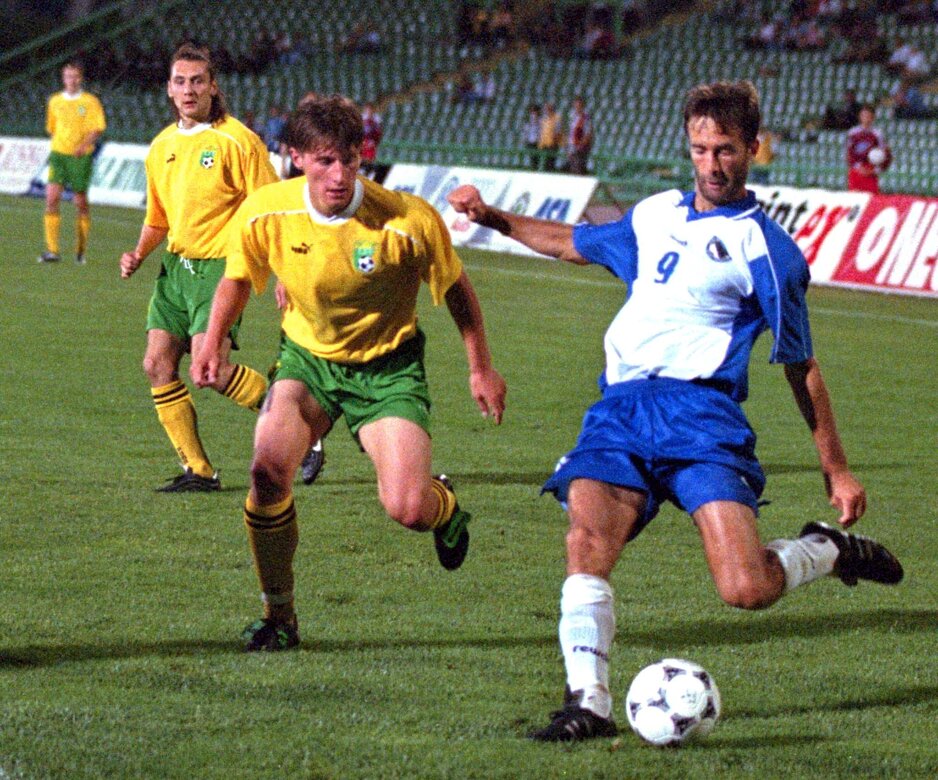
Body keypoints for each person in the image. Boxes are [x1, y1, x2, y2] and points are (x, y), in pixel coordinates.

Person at [448, 80, 903, 742]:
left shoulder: (770, 252)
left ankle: (825, 551)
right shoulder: (658, 211)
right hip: (621, 409)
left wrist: (836, 470)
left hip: (702, 417)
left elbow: (800, 364)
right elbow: (576, 240)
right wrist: (492, 218)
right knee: (586, 541)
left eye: (725, 150)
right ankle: (589, 702)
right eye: (699, 149)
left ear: (753, 148)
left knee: (745, 587)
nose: (712, 164)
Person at [190, 96, 507, 651]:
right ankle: (279, 617)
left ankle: (446, 507)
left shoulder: (407, 219)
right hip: (308, 363)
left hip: (388, 371)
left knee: (407, 508)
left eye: (349, 161)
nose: (338, 176)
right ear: (296, 159)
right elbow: (239, 278)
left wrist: (480, 367)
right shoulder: (267, 210)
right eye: (324, 162)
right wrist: (213, 339)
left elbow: (456, 289)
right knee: (266, 473)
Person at [118, 43, 323, 492]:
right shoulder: (161, 148)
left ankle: (305, 427)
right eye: (180, 81)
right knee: (156, 364)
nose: (188, 90)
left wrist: (287, 273)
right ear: (169, 90)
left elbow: (275, 210)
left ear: (213, 86)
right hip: (175, 270)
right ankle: (200, 470)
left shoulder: (238, 141)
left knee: (209, 369)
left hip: (221, 269)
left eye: (197, 81)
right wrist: (139, 252)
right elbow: (159, 218)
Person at [40, 61, 106, 264]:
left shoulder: (90, 102)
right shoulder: (55, 101)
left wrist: (82, 145)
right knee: (51, 199)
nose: (71, 80)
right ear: (63, 78)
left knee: (80, 202)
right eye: (68, 76)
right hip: (59, 155)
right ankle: (52, 250)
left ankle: (80, 251)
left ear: (81, 78)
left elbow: (97, 128)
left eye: (75, 76)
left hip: (80, 157)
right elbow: (52, 128)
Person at [846, 104, 891, 194]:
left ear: (873, 118)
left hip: (870, 172)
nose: (866, 118)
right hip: (856, 172)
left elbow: (887, 155)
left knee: (871, 198)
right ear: (860, 117)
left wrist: (874, 170)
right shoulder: (853, 133)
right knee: (855, 200)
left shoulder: (877, 134)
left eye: (868, 116)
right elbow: (849, 154)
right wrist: (858, 167)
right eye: (863, 115)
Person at [566, 96, 593, 175]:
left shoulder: (586, 118)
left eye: (579, 105)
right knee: (572, 169)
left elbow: (588, 134)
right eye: (575, 105)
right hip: (572, 146)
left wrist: (580, 146)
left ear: (582, 106)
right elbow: (570, 132)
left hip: (580, 148)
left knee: (579, 169)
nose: (577, 107)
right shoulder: (572, 116)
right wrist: (569, 147)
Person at [538, 102, 563, 171]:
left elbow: (558, 131)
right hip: (544, 144)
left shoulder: (557, 118)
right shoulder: (544, 119)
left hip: (552, 145)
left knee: (550, 164)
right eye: (546, 109)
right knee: (544, 164)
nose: (547, 110)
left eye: (548, 109)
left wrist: (554, 142)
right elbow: (542, 131)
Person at [360, 102, 383, 178]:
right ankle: (362, 172)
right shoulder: (362, 118)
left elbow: (378, 132)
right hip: (363, 140)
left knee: (370, 158)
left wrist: (375, 142)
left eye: (370, 109)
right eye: (367, 109)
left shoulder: (377, 120)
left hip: (371, 141)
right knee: (361, 157)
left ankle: (369, 173)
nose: (369, 111)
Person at [523, 103, 541, 170]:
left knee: (537, 158)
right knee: (532, 158)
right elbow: (526, 131)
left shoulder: (541, 121)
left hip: (538, 142)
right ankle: (533, 168)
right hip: (530, 141)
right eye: (531, 111)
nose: (533, 113)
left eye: (534, 111)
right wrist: (526, 139)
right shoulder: (528, 121)